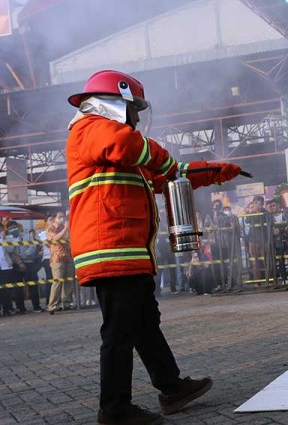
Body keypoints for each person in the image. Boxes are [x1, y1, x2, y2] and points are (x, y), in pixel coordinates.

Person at [66, 70, 242, 424]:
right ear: (116, 104)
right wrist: (167, 160)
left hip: (127, 251)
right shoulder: (90, 128)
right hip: (111, 251)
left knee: (144, 322)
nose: (136, 118)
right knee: (119, 331)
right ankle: (114, 410)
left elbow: (165, 176)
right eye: (134, 109)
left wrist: (210, 170)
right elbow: (136, 148)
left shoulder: (113, 143)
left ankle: (172, 387)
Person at [46, 210, 75, 313]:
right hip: (57, 259)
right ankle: (53, 305)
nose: (62, 219)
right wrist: (65, 230)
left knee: (68, 281)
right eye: (60, 217)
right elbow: (55, 239)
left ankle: (66, 303)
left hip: (68, 257)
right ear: (54, 218)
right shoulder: (51, 229)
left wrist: (68, 228)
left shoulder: (65, 227)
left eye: (63, 217)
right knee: (57, 282)